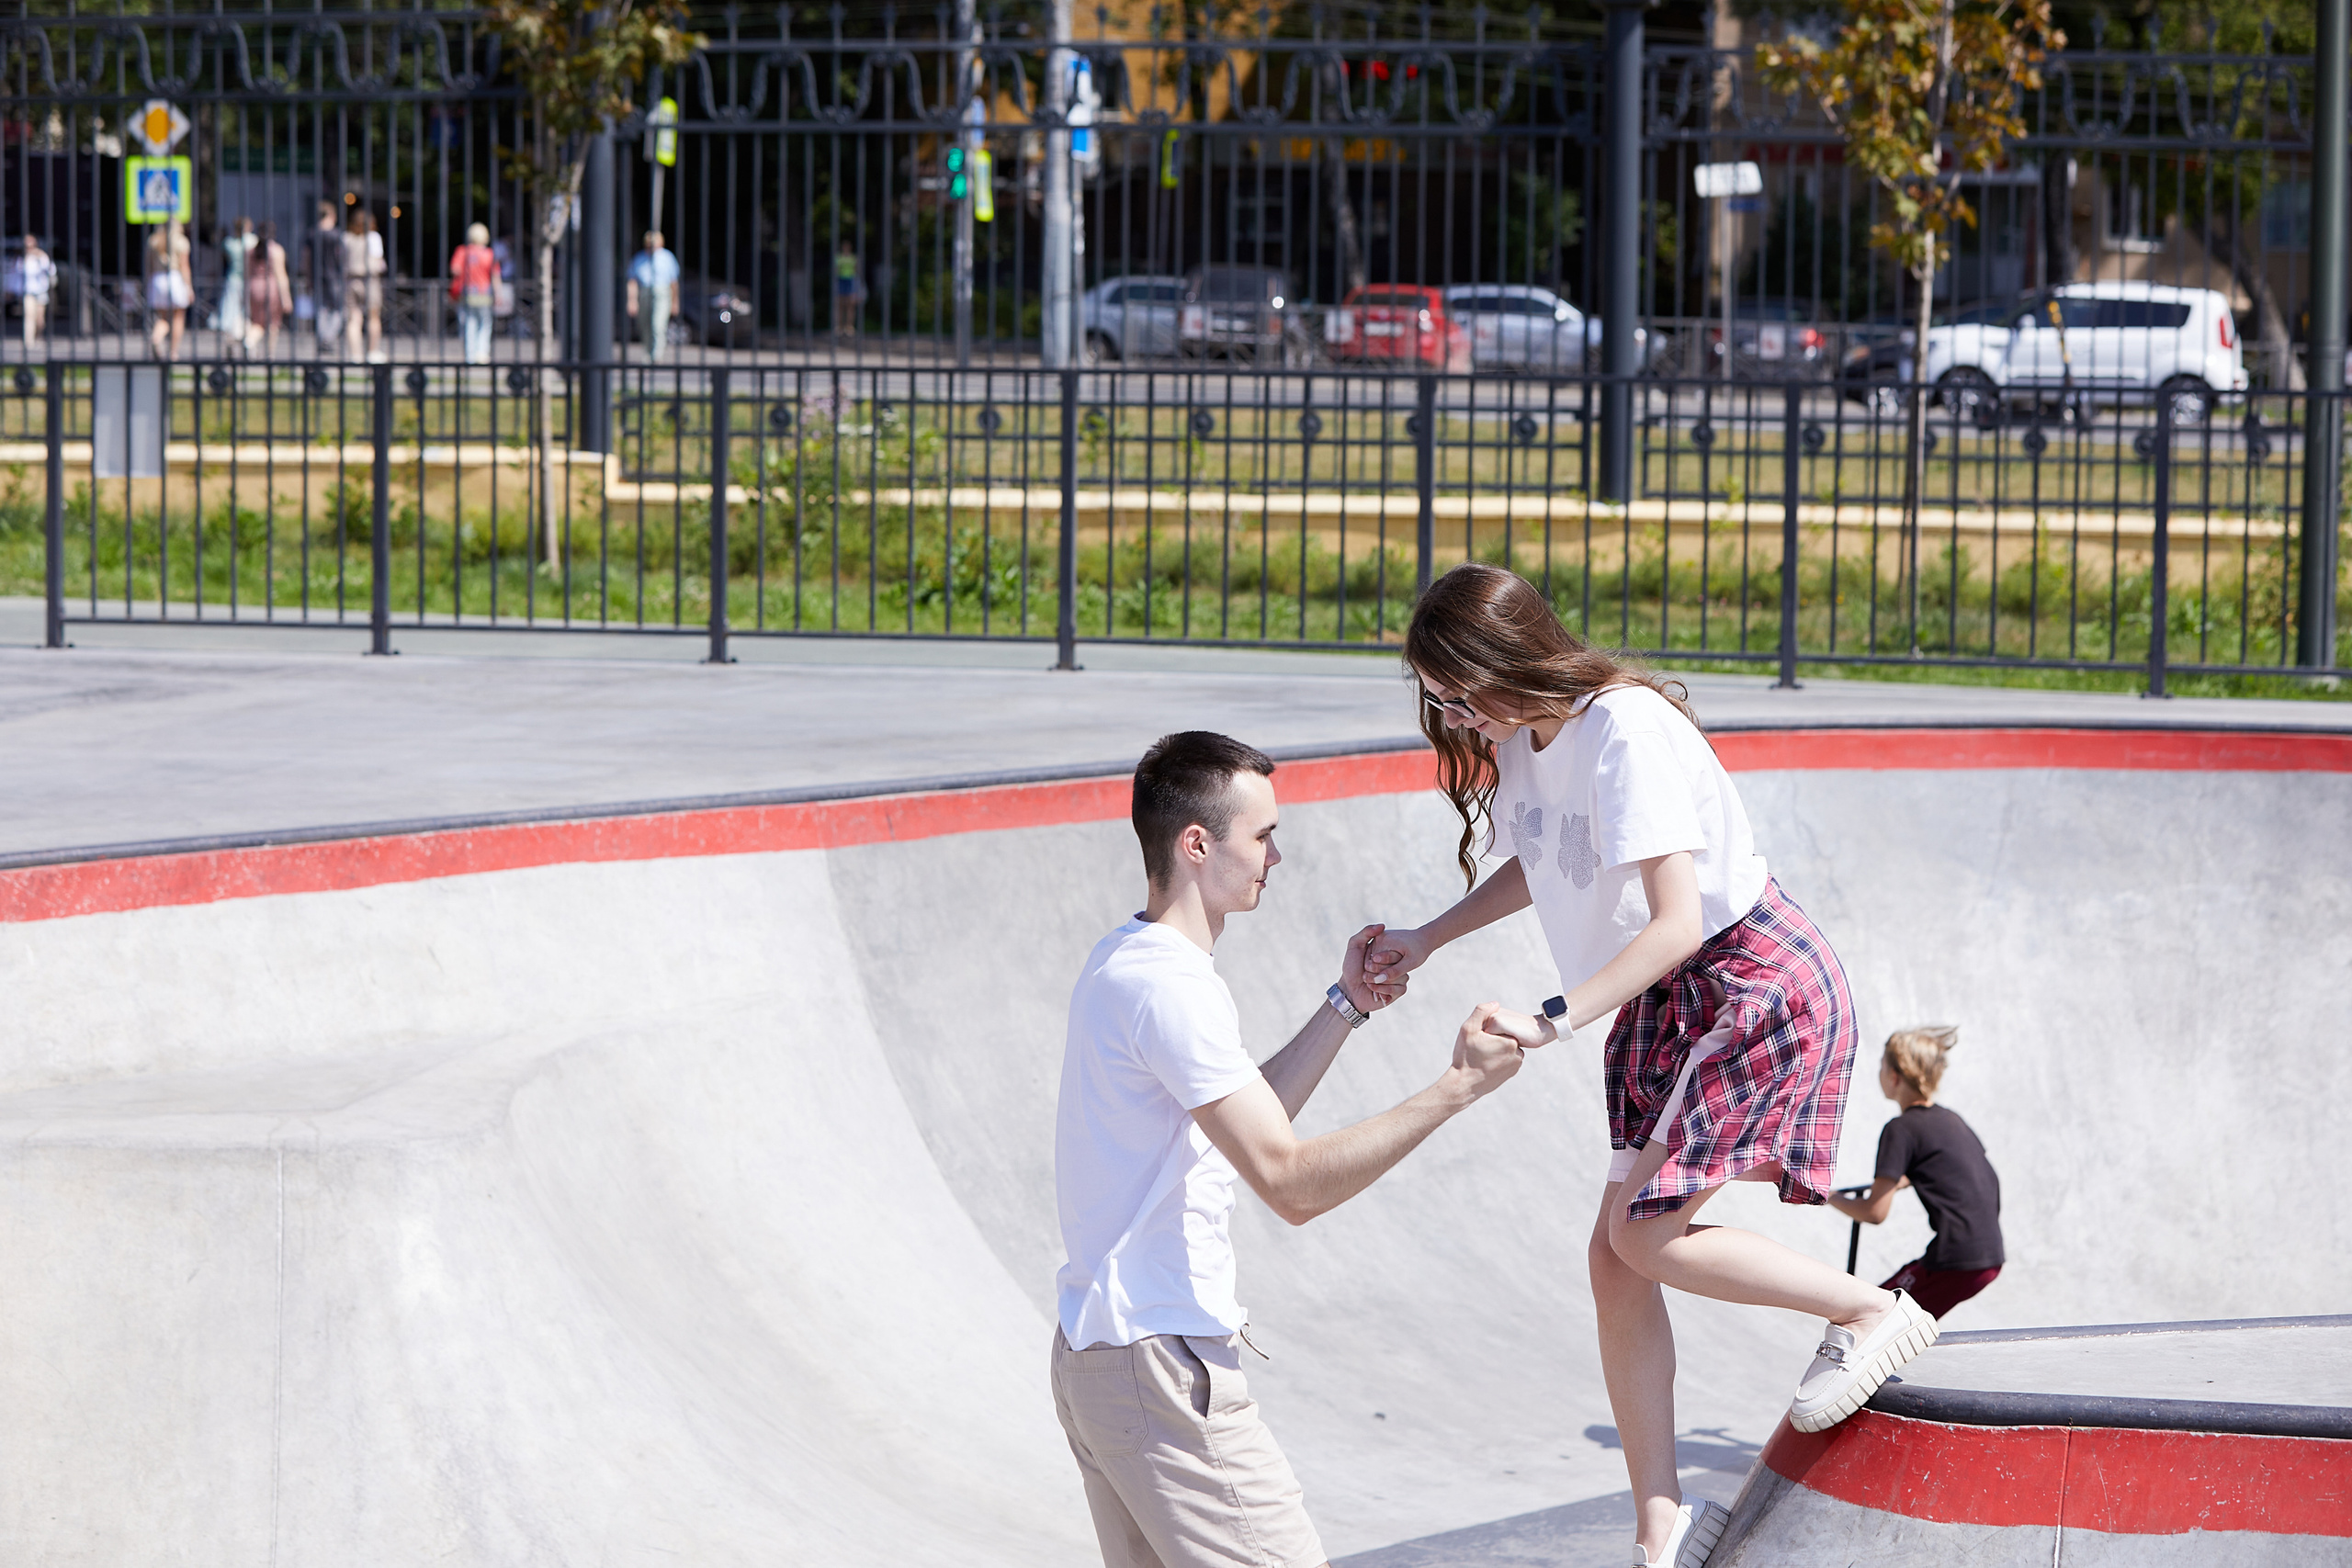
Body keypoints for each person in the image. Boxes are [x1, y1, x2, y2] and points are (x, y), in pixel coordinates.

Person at [1359, 562, 1939, 1568]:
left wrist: (1550, 1017)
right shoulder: (1528, 739)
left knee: (1641, 1235)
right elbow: (1542, 856)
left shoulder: (1621, 729)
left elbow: (1674, 922)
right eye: (1434, 700)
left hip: (1748, 986)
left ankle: (1872, 1311)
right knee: (1613, 1257)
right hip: (1664, 999)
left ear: (1507, 662)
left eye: (1456, 694)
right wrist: (1429, 934)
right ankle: (1658, 1527)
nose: (1451, 718)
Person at [1055, 730, 1531, 1568]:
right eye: (1263, 833)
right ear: (1197, 844)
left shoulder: (1125, 959)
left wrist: (1345, 1004)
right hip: (1161, 1369)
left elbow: (1247, 1122)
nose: (1278, 852)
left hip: (1108, 1361)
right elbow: (1287, 1180)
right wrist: (1455, 1086)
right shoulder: (1170, 984)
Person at [1827, 1027, 2004, 1320]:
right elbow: (1968, 1173)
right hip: (1989, 1256)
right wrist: (1908, 1179)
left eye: (1882, 1066)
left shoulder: (1901, 1129)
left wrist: (1832, 1197)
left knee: (1867, 1317)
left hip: (1957, 1260)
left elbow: (1874, 1212)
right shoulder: (1951, 1120)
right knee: (1894, 1320)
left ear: (1895, 1076)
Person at [448, 222, 499, 367]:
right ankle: (482, 353)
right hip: (484, 293)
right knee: (485, 324)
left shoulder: (463, 251)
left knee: (469, 323)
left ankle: (470, 355)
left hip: (468, 292)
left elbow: (455, 270)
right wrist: (498, 295)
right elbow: (495, 276)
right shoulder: (489, 253)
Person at [625, 230, 679, 361]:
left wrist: (675, 302)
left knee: (657, 324)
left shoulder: (667, 257)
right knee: (644, 325)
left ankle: (656, 355)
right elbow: (632, 281)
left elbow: (673, 282)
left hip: (662, 292)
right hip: (644, 292)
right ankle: (647, 352)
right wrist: (631, 301)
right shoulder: (639, 258)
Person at [303, 200, 348, 357]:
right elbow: (342, 259)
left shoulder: (312, 233)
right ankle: (328, 338)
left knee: (321, 309)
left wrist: (308, 278)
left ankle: (323, 338)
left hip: (317, 277)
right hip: (334, 277)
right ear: (331, 215)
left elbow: (306, 259)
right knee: (338, 310)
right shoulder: (336, 235)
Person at [145, 217, 193, 361]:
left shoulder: (153, 240)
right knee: (178, 317)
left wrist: (149, 284)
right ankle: (173, 352)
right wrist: (189, 287)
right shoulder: (181, 241)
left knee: (163, 317)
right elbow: (184, 267)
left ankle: (156, 337)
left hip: (158, 279)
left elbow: (149, 266)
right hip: (175, 278)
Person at [245, 220, 291, 358]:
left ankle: (250, 340)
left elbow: (247, 273)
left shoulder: (250, 251)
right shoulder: (276, 250)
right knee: (273, 324)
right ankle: (269, 356)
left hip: (254, 286)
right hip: (271, 287)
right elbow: (281, 276)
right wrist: (286, 298)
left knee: (257, 321)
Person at [347, 208, 387, 362]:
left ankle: (355, 355)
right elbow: (378, 260)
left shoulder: (347, 238)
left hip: (351, 279)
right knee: (373, 317)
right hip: (370, 279)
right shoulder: (373, 238)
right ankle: (372, 351)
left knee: (354, 318)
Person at [18, 232, 53, 355]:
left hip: (41, 291)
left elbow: (50, 270)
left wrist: (39, 258)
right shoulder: (23, 258)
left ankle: (38, 336)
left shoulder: (41, 256)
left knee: (40, 319)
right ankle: (29, 341)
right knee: (29, 317)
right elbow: (19, 273)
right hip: (28, 292)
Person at [831, 238, 859, 338]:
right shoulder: (838, 258)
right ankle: (839, 326)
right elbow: (836, 271)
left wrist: (857, 285)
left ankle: (849, 327)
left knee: (850, 305)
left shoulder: (853, 258)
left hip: (851, 281)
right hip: (841, 281)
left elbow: (856, 272)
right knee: (840, 305)